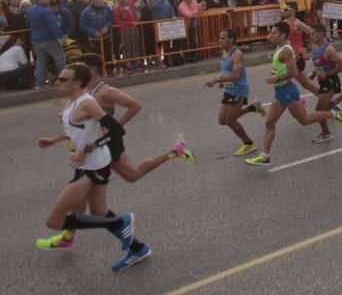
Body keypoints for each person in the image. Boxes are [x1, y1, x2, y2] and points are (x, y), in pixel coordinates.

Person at [34, 63, 148, 272]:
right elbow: (81, 131)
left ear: (77, 83)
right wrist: (56, 139)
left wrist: (87, 149)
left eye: (63, 79)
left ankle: (121, 223)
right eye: (58, 78)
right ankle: (138, 248)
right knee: (99, 212)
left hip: (93, 166)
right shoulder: (72, 103)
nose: (57, 82)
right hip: (88, 164)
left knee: (55, 221)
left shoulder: (87, 103)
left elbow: (115, 131)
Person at [72, 54, 196, 183]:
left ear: (92, 69)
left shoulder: (106, 91)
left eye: (82, 67)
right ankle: (176, 151)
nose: (78, 71)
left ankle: (176, 151)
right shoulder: (86, 89)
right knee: (127, 175)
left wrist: (118, 124)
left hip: (108, 140)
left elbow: (135, 105)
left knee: (130, 175)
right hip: (96, 140)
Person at [245, 22, 332, 166]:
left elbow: (293, 73)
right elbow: (279, 68)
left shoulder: (285, 50)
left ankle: (332, 113)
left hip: (286, 91)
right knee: (269, 122)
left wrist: (277, 78)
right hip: (281, 90)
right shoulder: (280, 47)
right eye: (271, 32)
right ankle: (264, 156)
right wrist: (273, 74)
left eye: (274, 33)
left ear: (283, 35)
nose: (270, 35)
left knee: (304, 120)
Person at [204, 29, 265, 156]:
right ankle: (254, 107)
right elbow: (228, 72)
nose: (219, 40)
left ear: (231, 39)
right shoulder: (224, 52)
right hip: (229, 89)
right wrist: (224, 82)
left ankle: (248, 144)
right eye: (220, 38)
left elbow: (237, 75)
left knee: (230, 120)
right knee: (222, 120)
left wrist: (216, 80)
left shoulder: (237, 54)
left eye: (222, 38)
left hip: (238, 90)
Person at [307, 23, 342, 144]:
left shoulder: (328, 49)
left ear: (321, 34)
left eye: (313, 34)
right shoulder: (314, 46)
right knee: (326, 107)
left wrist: (327, 74)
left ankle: (326, 133)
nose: (311, 36)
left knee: (319, 111)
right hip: (322, 81)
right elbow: (319, 64)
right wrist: (314, 73)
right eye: (310, 33)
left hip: (330, 81)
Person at [28, 0, 66, 89]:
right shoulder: (46, 10)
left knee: (40, 61)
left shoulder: (31, 9)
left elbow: (28, 23)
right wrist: (61, 36)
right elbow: (52, 26)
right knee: (60, 58)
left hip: (36, 38)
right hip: (48, 38)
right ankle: (64, 81)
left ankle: (39, 83)